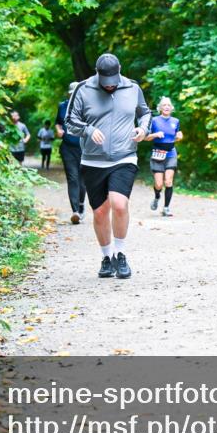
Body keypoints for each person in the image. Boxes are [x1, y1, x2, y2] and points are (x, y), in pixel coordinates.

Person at [65, 53, 151, 280]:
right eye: (106, 81)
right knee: (101, 212)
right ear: (97, 73)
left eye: (113, 80)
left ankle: (120, 254)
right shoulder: (82, 90)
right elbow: (69, 122)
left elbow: (145, 113)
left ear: (119, 70)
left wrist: (143, 129)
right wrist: (89, 130)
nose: (110, 85)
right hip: (93, 160)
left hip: (125, 156)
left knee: (119, 204)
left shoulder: (132, 88)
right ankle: (106, 257)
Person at [56, 81, 87, 224]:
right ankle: (75, 211)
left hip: (85, 148)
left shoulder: (87, 107)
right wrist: (58, 130)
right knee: (73, 178)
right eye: (72, 93)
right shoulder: (62, 106)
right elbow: (58, 122)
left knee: (83, 180)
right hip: (68, 148)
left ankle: (81, 205)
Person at [148, 96, 183, 217]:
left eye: (168, 105)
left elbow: (176, 136)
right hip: (158, 153)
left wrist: (179, 137)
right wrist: (156, 134)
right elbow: (146, 137)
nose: (166, 107)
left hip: (171, 153)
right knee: (158, 184)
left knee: (168, 181)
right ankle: (157, 197)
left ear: (171, 108)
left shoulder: (176, 121)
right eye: (164, 105)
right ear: (160, 108)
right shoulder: (154, 120)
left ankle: (166, 208)